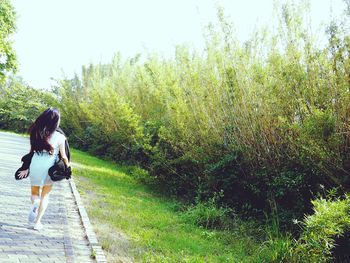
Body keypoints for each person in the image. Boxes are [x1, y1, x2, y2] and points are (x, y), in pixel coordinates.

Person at [17, 107, 70, 230]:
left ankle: (35, 202)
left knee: (35, 193)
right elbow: (64, 157)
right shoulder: (60, 137)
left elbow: (31, 152)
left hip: (35, 166)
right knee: (45, 196)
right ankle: (37, 223)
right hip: (49, 169)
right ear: (55, 122)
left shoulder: (35, 132)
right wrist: (67, 168)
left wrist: (26, 168)